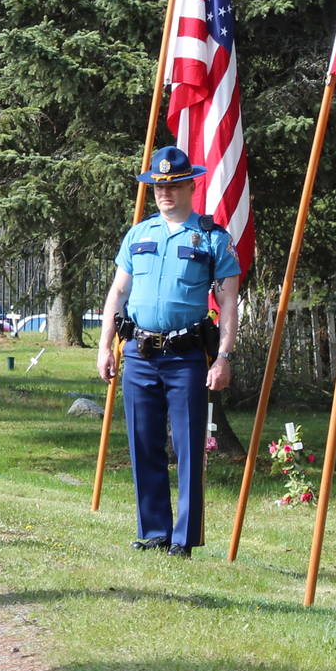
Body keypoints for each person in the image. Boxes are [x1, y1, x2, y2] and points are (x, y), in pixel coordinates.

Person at [94, 146, 241, 556]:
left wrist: (224, 354)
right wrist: (105, 346)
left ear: (190, 186)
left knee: (190, 446)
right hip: (139, 353)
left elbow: (228, 301)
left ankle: (184, 538)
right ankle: (155, 530)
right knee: (143, 443)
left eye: (174, 185)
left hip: (186, 355)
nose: (165, 194)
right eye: (159, 187)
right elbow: (118, 291)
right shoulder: (138, 234)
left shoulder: (212, 237)